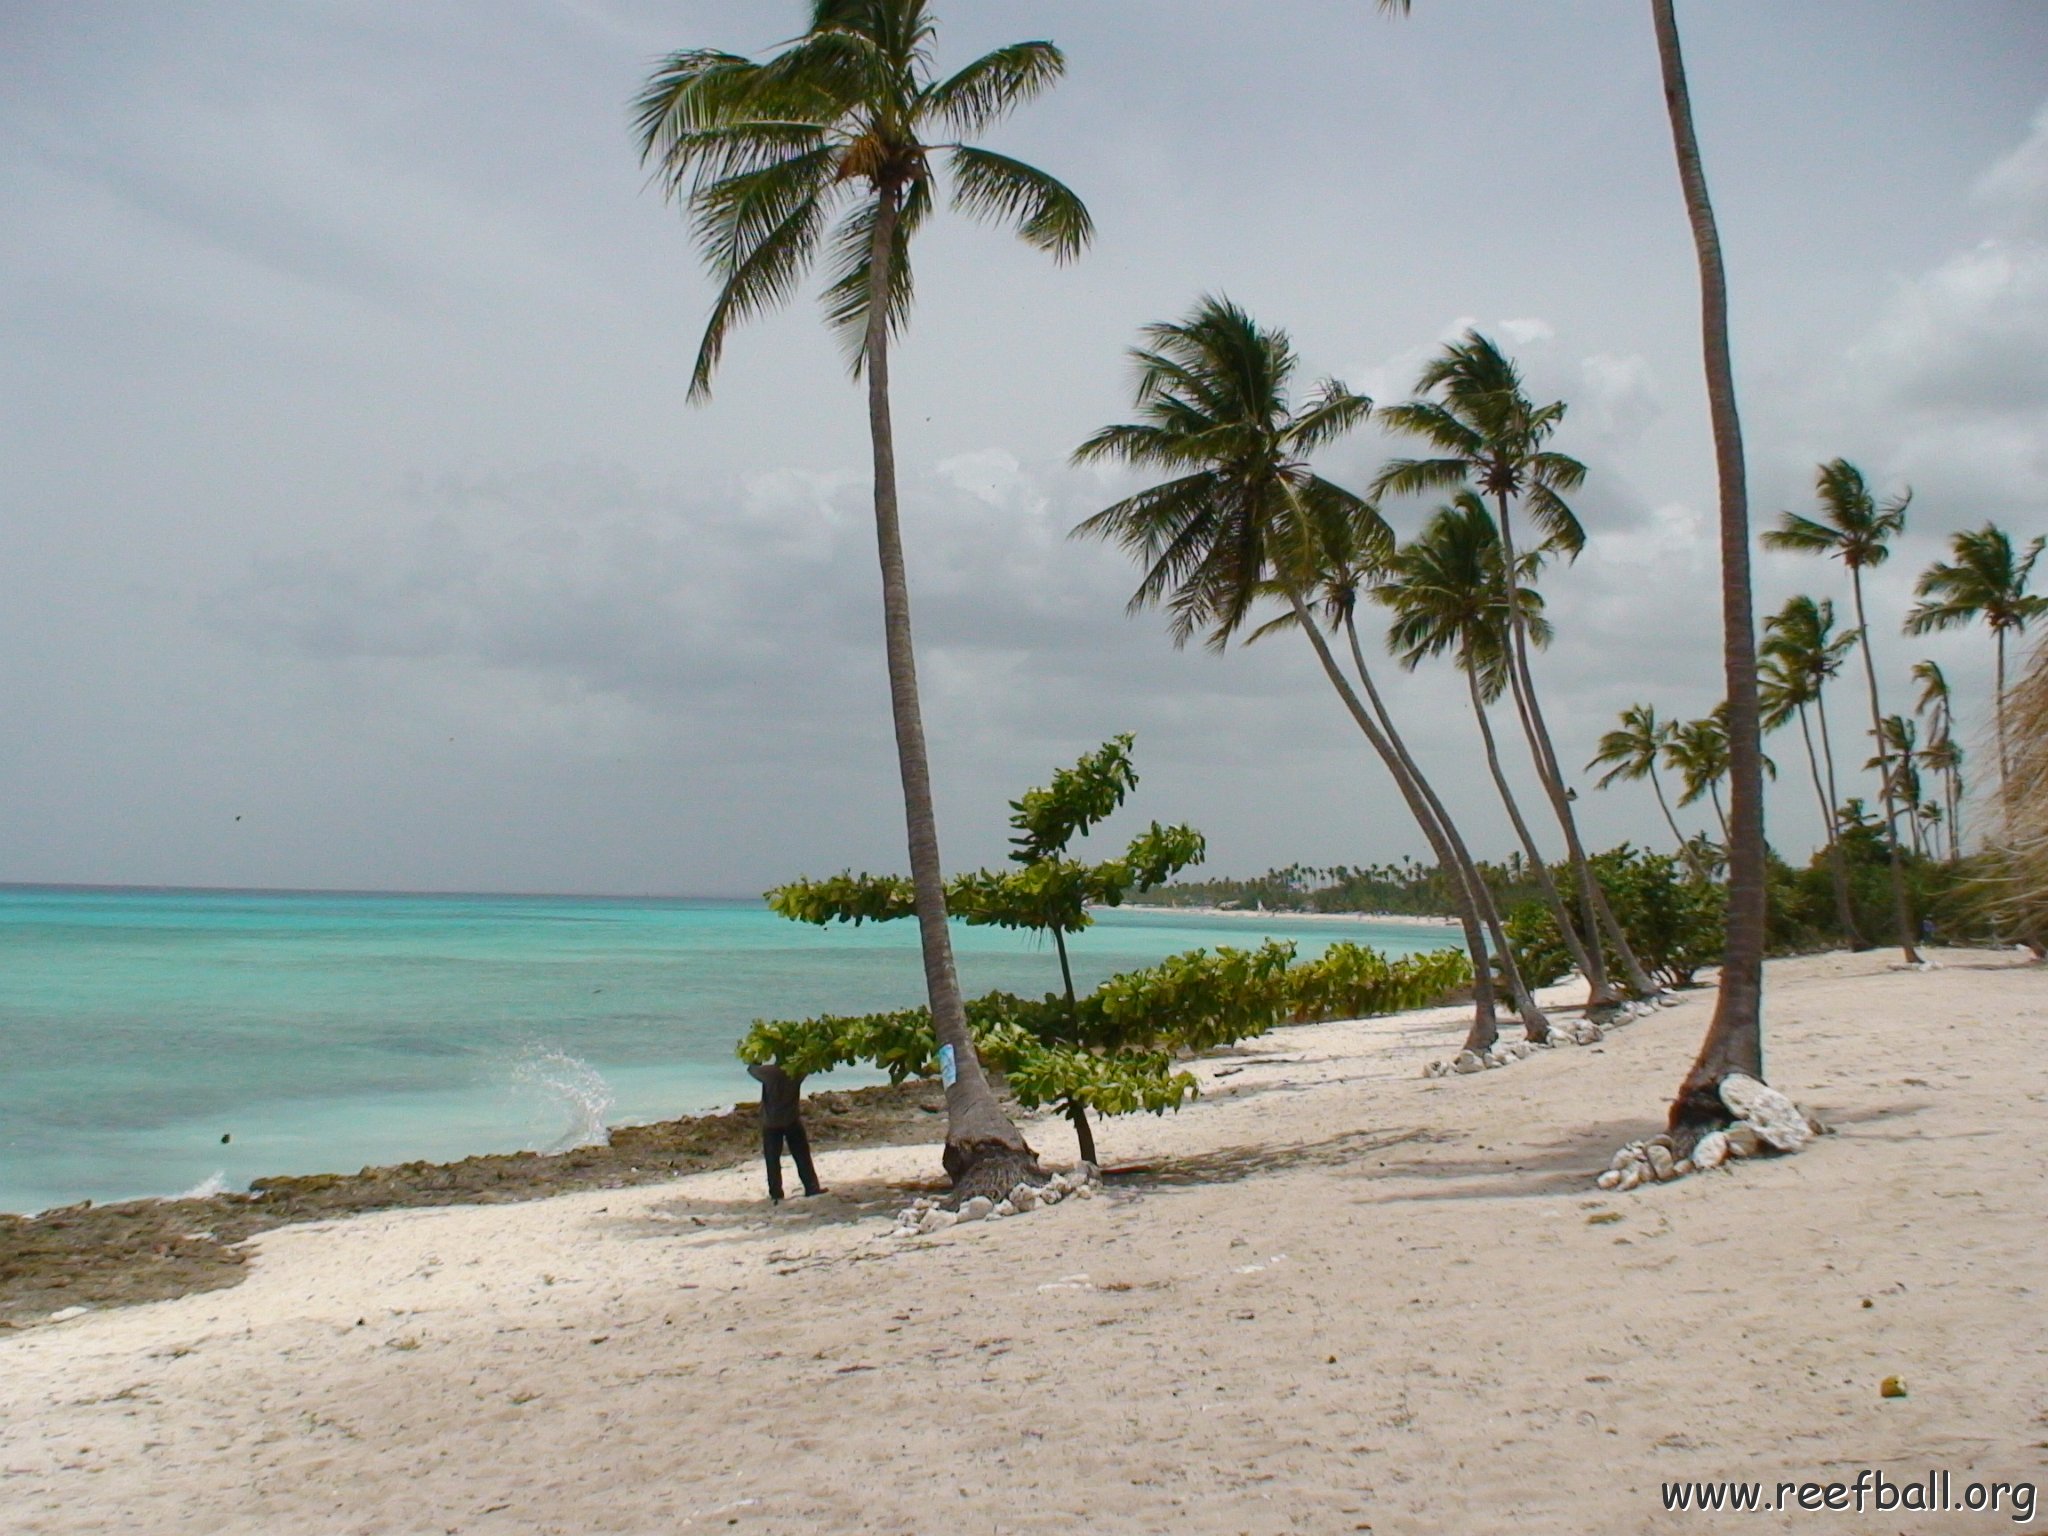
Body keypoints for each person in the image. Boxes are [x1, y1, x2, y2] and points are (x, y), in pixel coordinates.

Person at [748, 1061, 821, 1202]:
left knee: (772, 1159)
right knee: (802, 1156)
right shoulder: (796, 1071)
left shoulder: (768, 1073)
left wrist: (756, 1057)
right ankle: (811, 1187)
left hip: (771, 1122)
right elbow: (811, 1065)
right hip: (791, 1119)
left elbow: (751, 1069)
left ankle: (776, 1193)